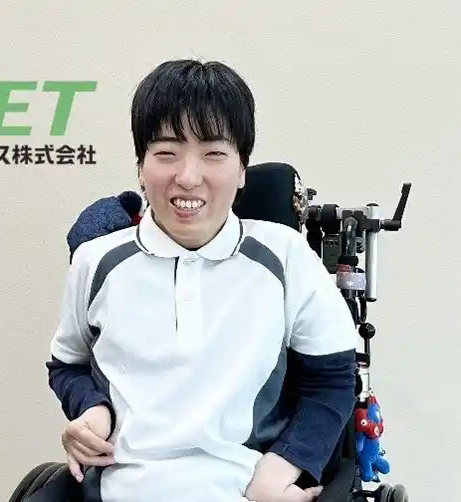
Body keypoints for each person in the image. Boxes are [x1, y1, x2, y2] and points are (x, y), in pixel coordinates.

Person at [45, 59, 358, 502]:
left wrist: (279, 472)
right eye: (166, 153)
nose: (188, 177)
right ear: (140, 166)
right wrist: (90, 410)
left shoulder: (285, 256)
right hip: (118, 489)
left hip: (244, 489)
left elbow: (332, 382)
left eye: (213, 154)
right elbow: (68, 365)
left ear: (242, 168)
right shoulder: (96, 260)